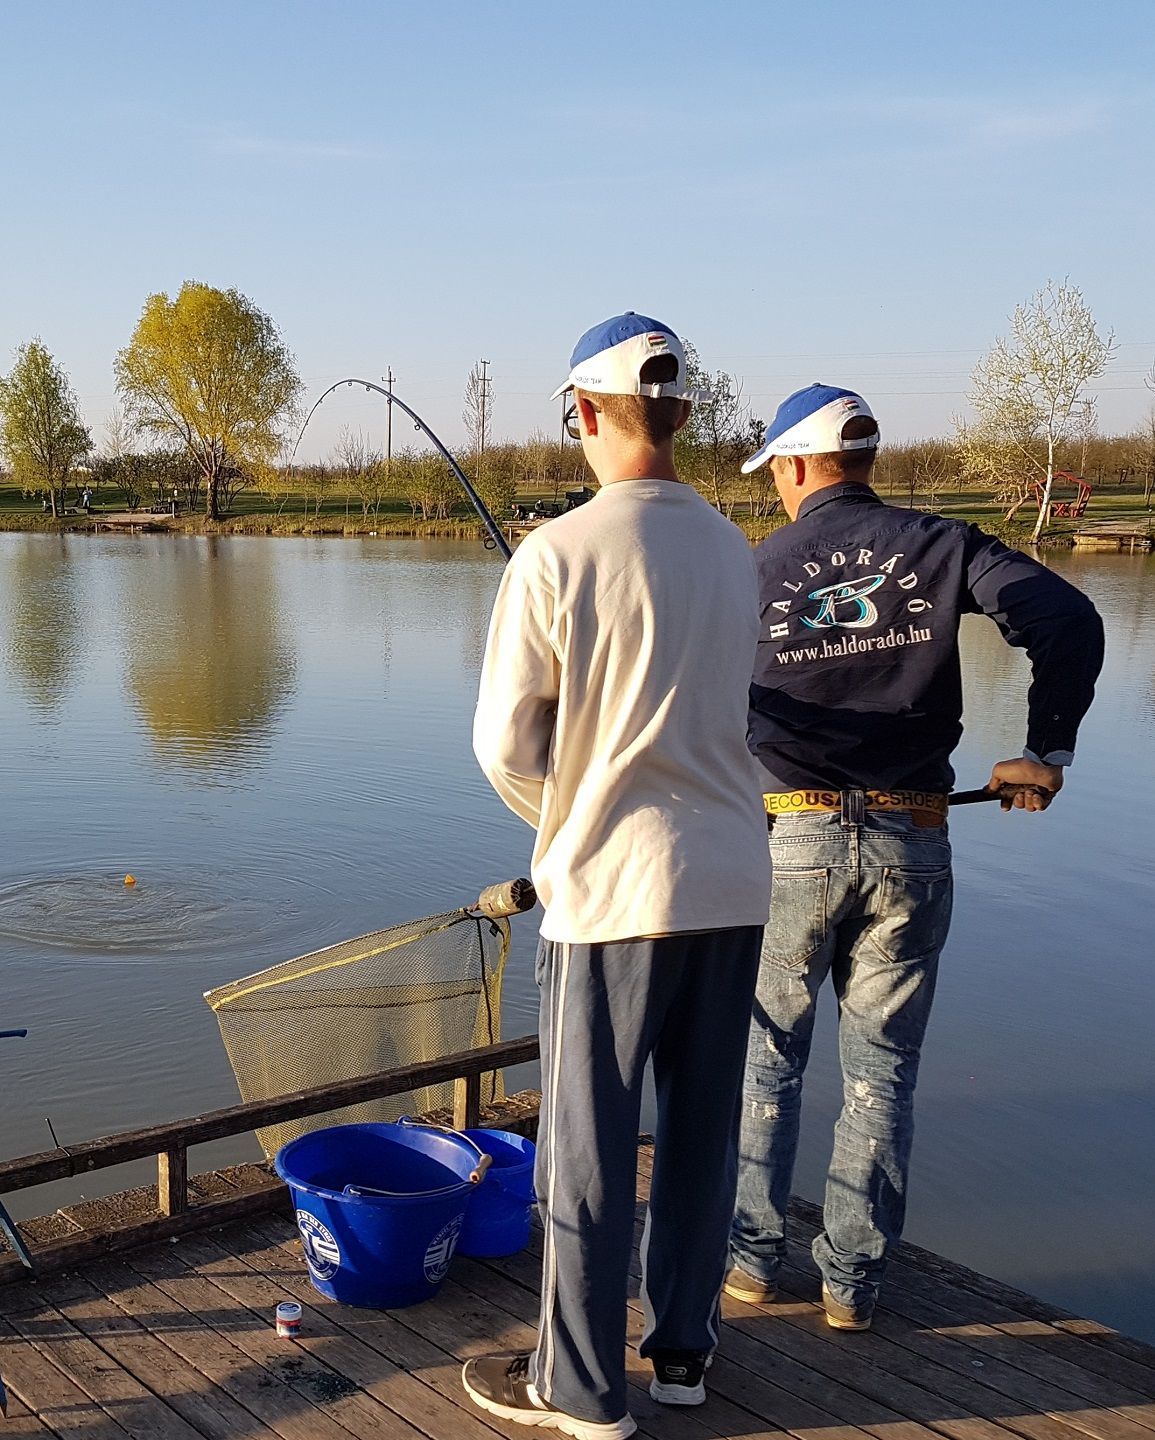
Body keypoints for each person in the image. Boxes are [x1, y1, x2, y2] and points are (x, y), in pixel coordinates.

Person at [727, 384, 1104, 1330]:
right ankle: (852, 1291)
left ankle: (749, 1264)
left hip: (787, 843)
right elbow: (1067, 621)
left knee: (766, 1060)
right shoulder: (944, 546)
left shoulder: (750, 569)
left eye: (775, 467)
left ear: (797, 465)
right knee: (881, 1072)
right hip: (911, 839)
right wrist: (1044, 750)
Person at [464, 314, 773, 1439]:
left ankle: (582, 1390)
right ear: (683, 415)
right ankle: (682, 1358)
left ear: (585, 413)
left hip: (611, 904)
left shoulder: (553, 554)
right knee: (699, 1140)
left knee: (590, 1157)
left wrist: (572, 819)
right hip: (735, 884)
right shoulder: (736, 552)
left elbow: (504, 747)